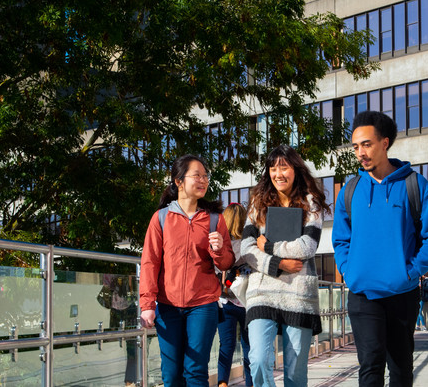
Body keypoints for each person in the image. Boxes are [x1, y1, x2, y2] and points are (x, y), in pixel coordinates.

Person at [332, 110, 428, 386]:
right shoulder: (351, 189)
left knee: (401, 370)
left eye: (367, 144)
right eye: (356, 146)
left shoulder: (414, 185)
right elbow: (341, 239)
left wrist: (410, 272)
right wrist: (350, 271)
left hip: (402, 294)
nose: (360, 152)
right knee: (370, 368)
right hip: (362, 294)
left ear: (385, 142)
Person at [139, 154, 234, 387]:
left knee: (195, 370)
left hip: (203, 304)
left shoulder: (214, 219)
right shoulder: (161, 218)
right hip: (168, 305)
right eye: (197, 175)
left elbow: (226, 263)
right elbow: (150, 262)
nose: (203, 180)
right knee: (171, 375)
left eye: (205, 176)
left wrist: (220, 250)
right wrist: (147, 305)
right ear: (178, 181)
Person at [240, 145, 329, 387]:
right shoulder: (258, 203)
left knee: (295, 372)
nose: (278, 173)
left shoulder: (311, 204)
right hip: (261, 293)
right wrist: (277, 264)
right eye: (272, 168)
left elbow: (308, 246)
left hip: (298, 294)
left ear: (295, 169)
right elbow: (246, 248)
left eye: (284, 167)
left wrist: (269, 248)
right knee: (257, 359)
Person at [217, 202, 253, 387]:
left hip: (225, 302)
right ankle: (251, 384)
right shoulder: (249, 244)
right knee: (248, 348)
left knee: (226, 346)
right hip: (247, 301)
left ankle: (222, 383)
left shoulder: (220, 245)